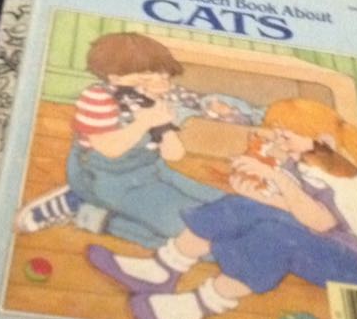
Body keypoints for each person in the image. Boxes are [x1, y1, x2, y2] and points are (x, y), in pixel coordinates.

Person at [87, 98, 357, 319]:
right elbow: (293, 209)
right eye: (277, 133)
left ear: (323, 139)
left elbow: (322, 222)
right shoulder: (300, 164)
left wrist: (276, 177)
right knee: (243, 206)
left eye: (286, 135)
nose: (279, 141)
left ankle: (201, 303)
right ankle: (166, 267)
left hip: (349, 266)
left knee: (274, 235)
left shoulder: (340, 175)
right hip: (315, 242)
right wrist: (256, 195)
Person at [16, 32, 225, 248]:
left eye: (162, 73)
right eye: (145, 75)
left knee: (227, 206)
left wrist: (177, 120)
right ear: (115, 77)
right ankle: (86, 210)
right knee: (192, 235)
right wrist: (145, 122)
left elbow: (174, 153)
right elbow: (109, 149)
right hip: (105, 177)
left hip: (152, 169)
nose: (158, 80)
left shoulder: (160, 93)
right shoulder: (99, 97)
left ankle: (89, 207)